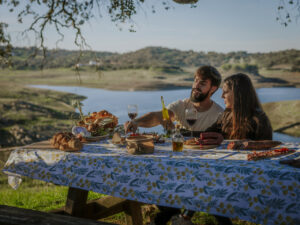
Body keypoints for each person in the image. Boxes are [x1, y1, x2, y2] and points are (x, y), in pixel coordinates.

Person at [178, 73, 273, 225]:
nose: (221, 95)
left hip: (249, 176)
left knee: (207, 185)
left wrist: (243, 144)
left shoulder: (258, 118)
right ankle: (184, 218)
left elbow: (269, 149)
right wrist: (180, 133)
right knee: (203, 181)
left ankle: (183, 218)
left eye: (226, 91)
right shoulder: (227, 115)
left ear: (238, 93)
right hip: (226, 172)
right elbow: (206, 133)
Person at [124, 65, 224, 135]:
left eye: (202, 83)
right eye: (195, 81)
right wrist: (136, 122)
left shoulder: (219, 114)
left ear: (213, 89)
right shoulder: (181, 105)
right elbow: (157, 116)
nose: (195, 86)